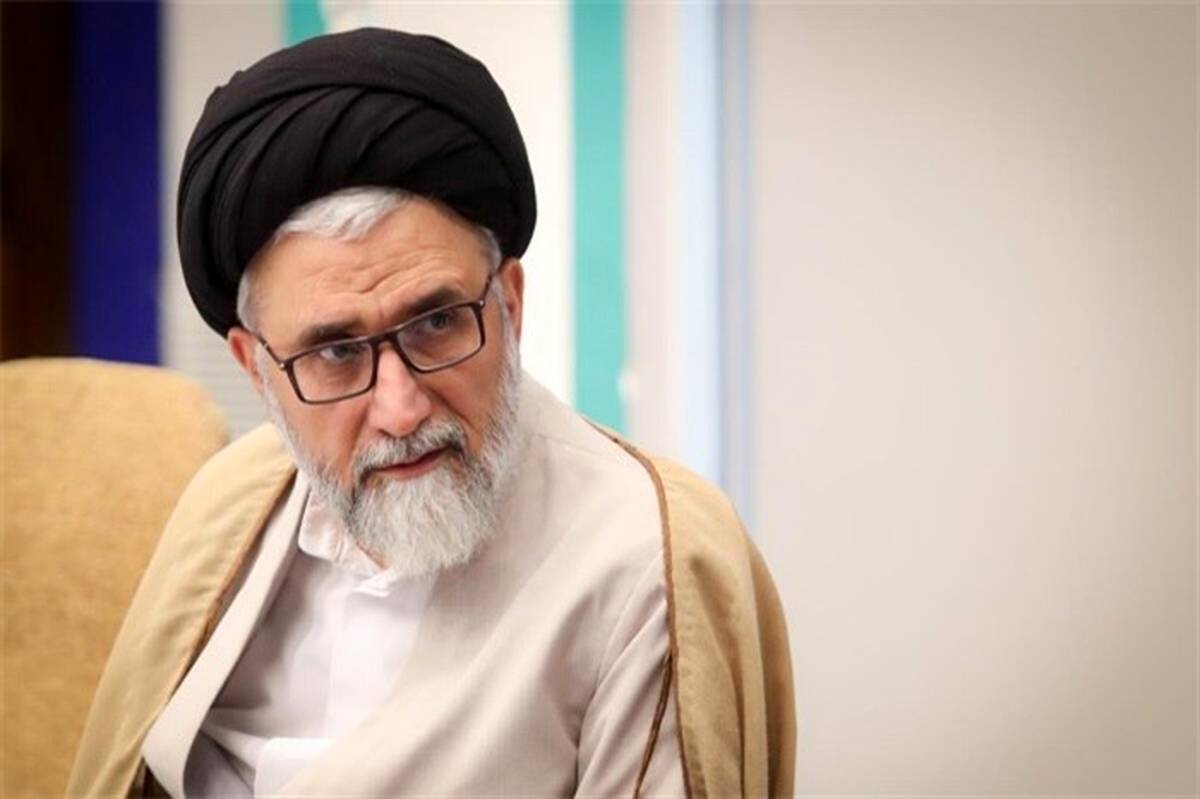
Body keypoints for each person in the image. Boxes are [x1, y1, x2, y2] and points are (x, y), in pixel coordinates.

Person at [68, 28, 794, 798]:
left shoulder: (645, 563)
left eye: (437, 322)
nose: (400, 406)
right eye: (336, 352)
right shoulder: (226, 507)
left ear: (510, 303)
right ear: (256, 369)